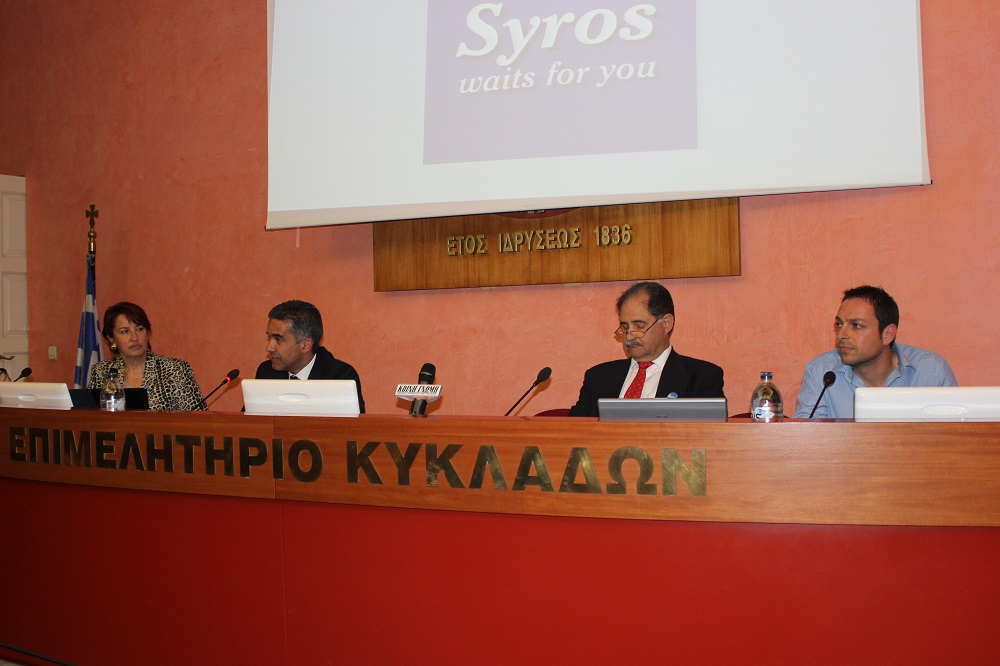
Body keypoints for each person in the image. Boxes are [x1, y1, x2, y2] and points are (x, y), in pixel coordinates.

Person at [794, 285, 957, 418]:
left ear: (887, 334)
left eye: (856, 326)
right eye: (839, 324)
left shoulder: (931, 371)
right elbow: (807, 440)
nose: (842, 335)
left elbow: (955, 438)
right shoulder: (821, 372)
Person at [569, 282, 725, 416]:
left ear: (666, 324)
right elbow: (573, 430)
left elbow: (710, 434)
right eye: (625, 327)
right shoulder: (598, 377)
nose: (629, 336)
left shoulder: (701, 377)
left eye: (639, 326)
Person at [88, 302, 206, 411]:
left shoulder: (175, 370)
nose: (134, 338)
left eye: (139, 329)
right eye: (125, 331)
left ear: (148, 333)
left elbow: (198, 420)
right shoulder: (101, 371)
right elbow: (88, 417)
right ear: (111, 338)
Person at [255, 299, 366, 413]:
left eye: (278, 339)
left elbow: (352, 424)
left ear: (305, 345)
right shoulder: (266, 372)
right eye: (269, 338)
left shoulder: (339, 377)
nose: (269, 348)